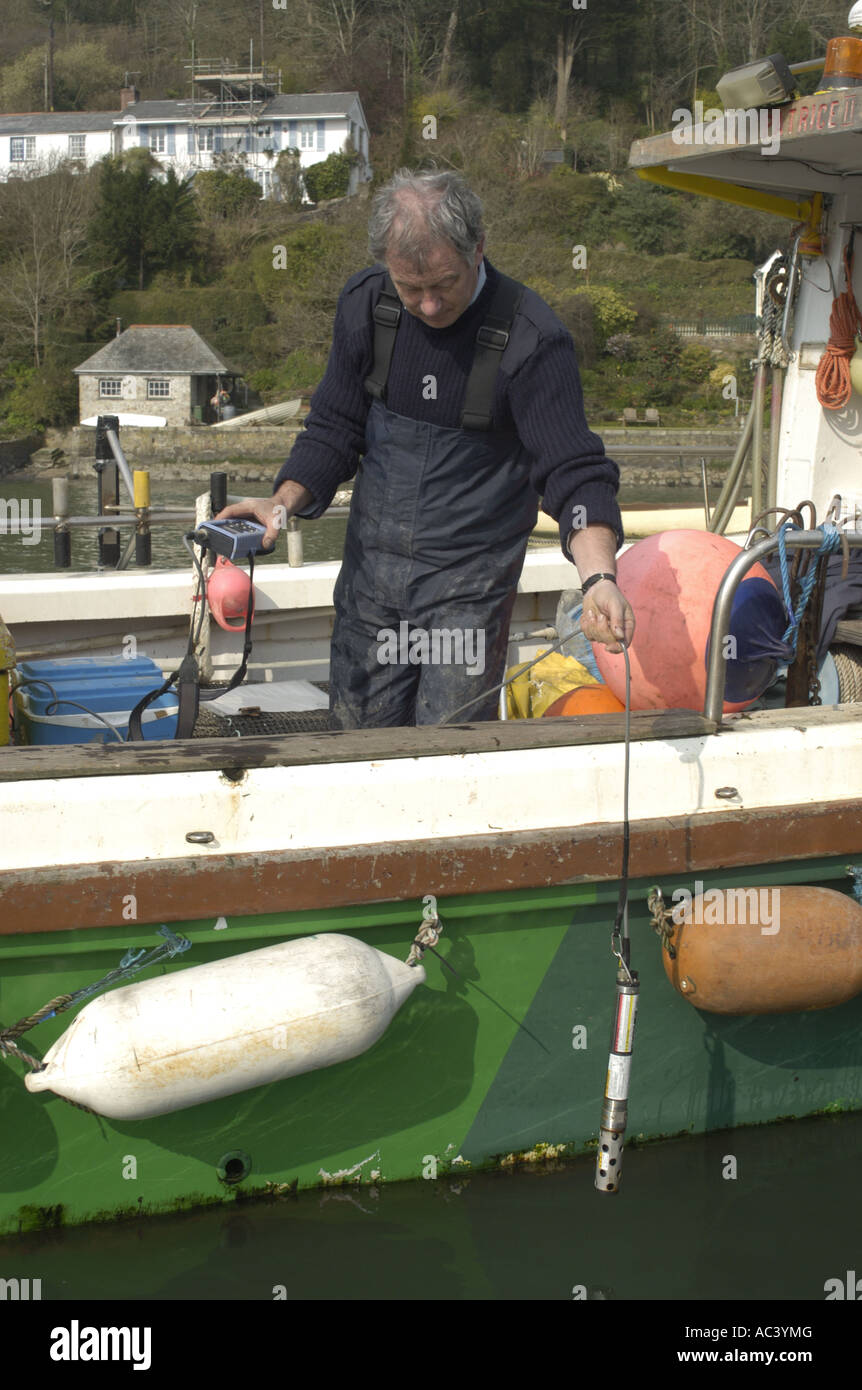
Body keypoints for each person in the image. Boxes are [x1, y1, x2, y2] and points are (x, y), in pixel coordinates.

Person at [218, 168, 634, 727]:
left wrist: (599, 579)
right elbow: (334, 427)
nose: (429, 306)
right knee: (358, 746)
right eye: (411, 288)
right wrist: (282, 502)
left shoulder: (533, 339)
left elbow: (575, 473)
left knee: (449, 750)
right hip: (372, 584)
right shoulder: (368, 306)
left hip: (468, 594)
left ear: (478, 247)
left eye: (444, 284)